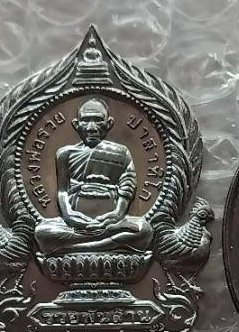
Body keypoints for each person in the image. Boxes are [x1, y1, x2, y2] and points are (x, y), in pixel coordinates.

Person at [34, 98, 153, 255]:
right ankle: (108, 244)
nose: (91, 128)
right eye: (85, 120)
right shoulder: (65, 154)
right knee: (43, 232)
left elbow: (127, 187)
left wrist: (116, 215)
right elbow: (62, 191)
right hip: (75, 222)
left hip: (113, 221)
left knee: (144, 230)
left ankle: (74, 248)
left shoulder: (122, 153)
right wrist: (69, 215)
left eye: (97, 120)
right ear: (76, 125)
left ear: (109, 124)